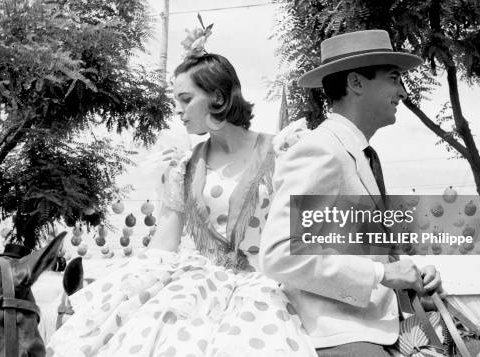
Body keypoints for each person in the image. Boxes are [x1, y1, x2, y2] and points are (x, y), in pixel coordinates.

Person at [47, 53, 315, 356]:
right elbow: (164, 244)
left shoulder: (284, 151)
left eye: (186, 99)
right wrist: (123, 289)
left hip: (266, 290)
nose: (178, 110)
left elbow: (311, 234)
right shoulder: (182, 166)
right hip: (196, 288)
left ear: (218, 96)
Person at [259, 30, 444, 357]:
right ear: (356, 83)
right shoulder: (321, 150)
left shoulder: (360, 155)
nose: (402, 91)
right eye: (393, 78)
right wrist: (382, 273)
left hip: (383, 330)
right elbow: (279, 253)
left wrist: (409, 278)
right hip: (338, 336)